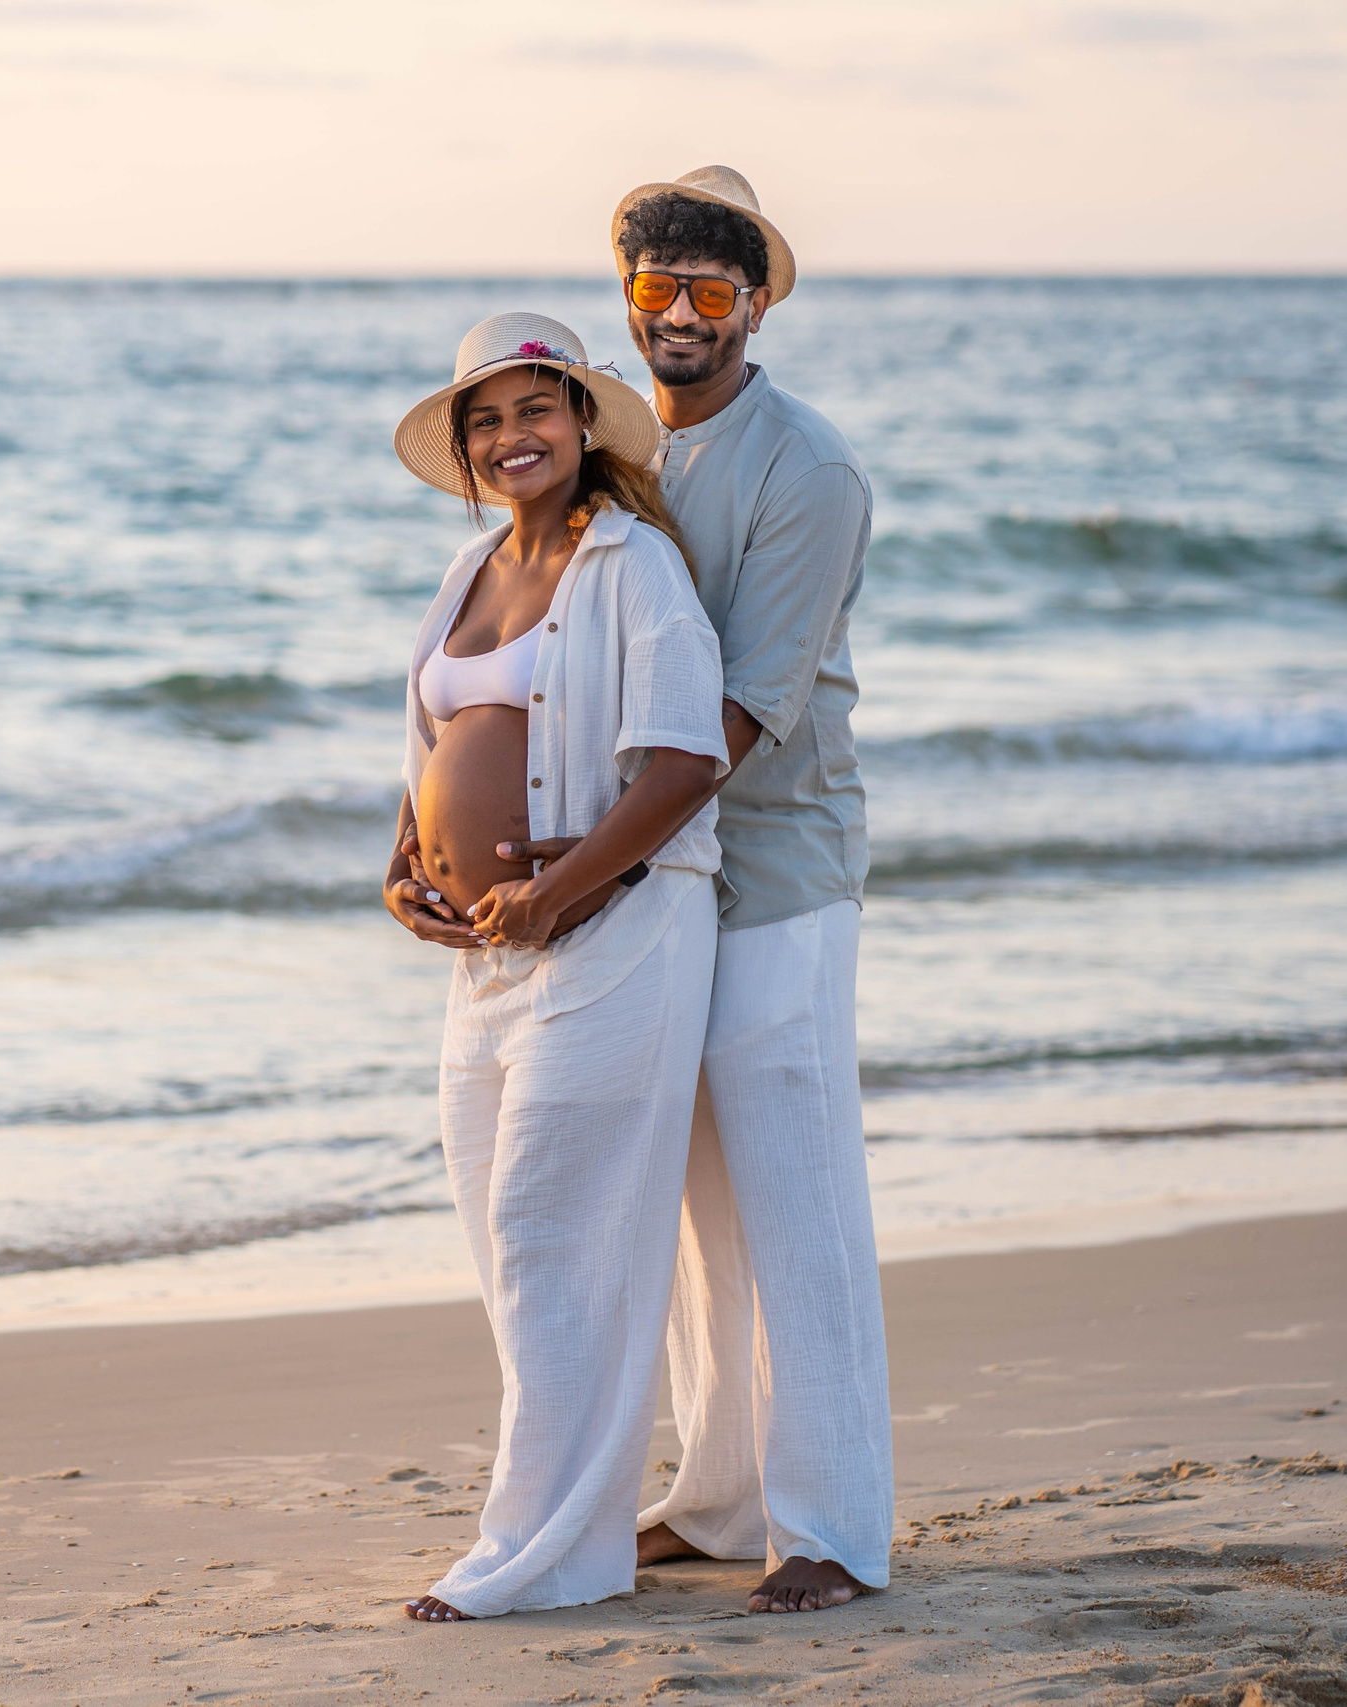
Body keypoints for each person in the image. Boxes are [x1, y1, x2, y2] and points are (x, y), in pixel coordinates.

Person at [505, 169, 895, 1614]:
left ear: (758, 304)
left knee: (800, 1198)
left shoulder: (809, 469)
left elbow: (738, 713)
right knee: (692, 1211)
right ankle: (722, 1504)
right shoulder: (620, 448)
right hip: (659, 871)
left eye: (710, 292)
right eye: (653, 288)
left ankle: (839, 1527)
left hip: (777, 869)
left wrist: (588, 860)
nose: (678, 314)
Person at [379, 311, 731, 1622]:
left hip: (616, 937)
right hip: (488, 958)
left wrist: (555, 895)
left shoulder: (636, 565)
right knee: (500, 1236)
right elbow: (438, 731)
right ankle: (564, 1533)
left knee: (547, 1233)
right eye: (487, 419)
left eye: (536, 410)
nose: (512, 436)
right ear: (467, 449)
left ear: (583, 425)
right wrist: (407, 858)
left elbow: (689, 760)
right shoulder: (470, 566)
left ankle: (537, 1553)